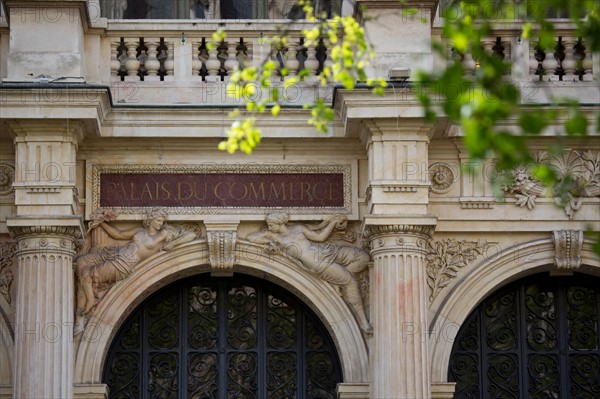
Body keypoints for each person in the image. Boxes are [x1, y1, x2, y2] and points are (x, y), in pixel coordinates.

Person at [246, 212, 373, 333]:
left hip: (325, 250)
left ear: (279, 223)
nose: (269, 227)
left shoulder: (298, 228)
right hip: (320, 265)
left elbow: (320, 237)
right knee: (350, 282)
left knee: (363, 257)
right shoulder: (274, 236)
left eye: (271, 224)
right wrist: (269, 241)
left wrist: (333, 222)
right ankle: (363, 322)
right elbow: (250, 237)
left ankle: (338, 282)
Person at [75, 209, 197, 315]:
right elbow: (118, 234)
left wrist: (172, 244)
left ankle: (90, 300)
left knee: (86, 275)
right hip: (116, 252)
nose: (161, 223)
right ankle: (84, 303)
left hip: (123, 264)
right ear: (150, 219)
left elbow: (192, 234)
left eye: (162, 221)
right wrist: (101, 223)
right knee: (80, 261)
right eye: (158, 220)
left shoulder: (163, 235)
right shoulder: (140, 231)